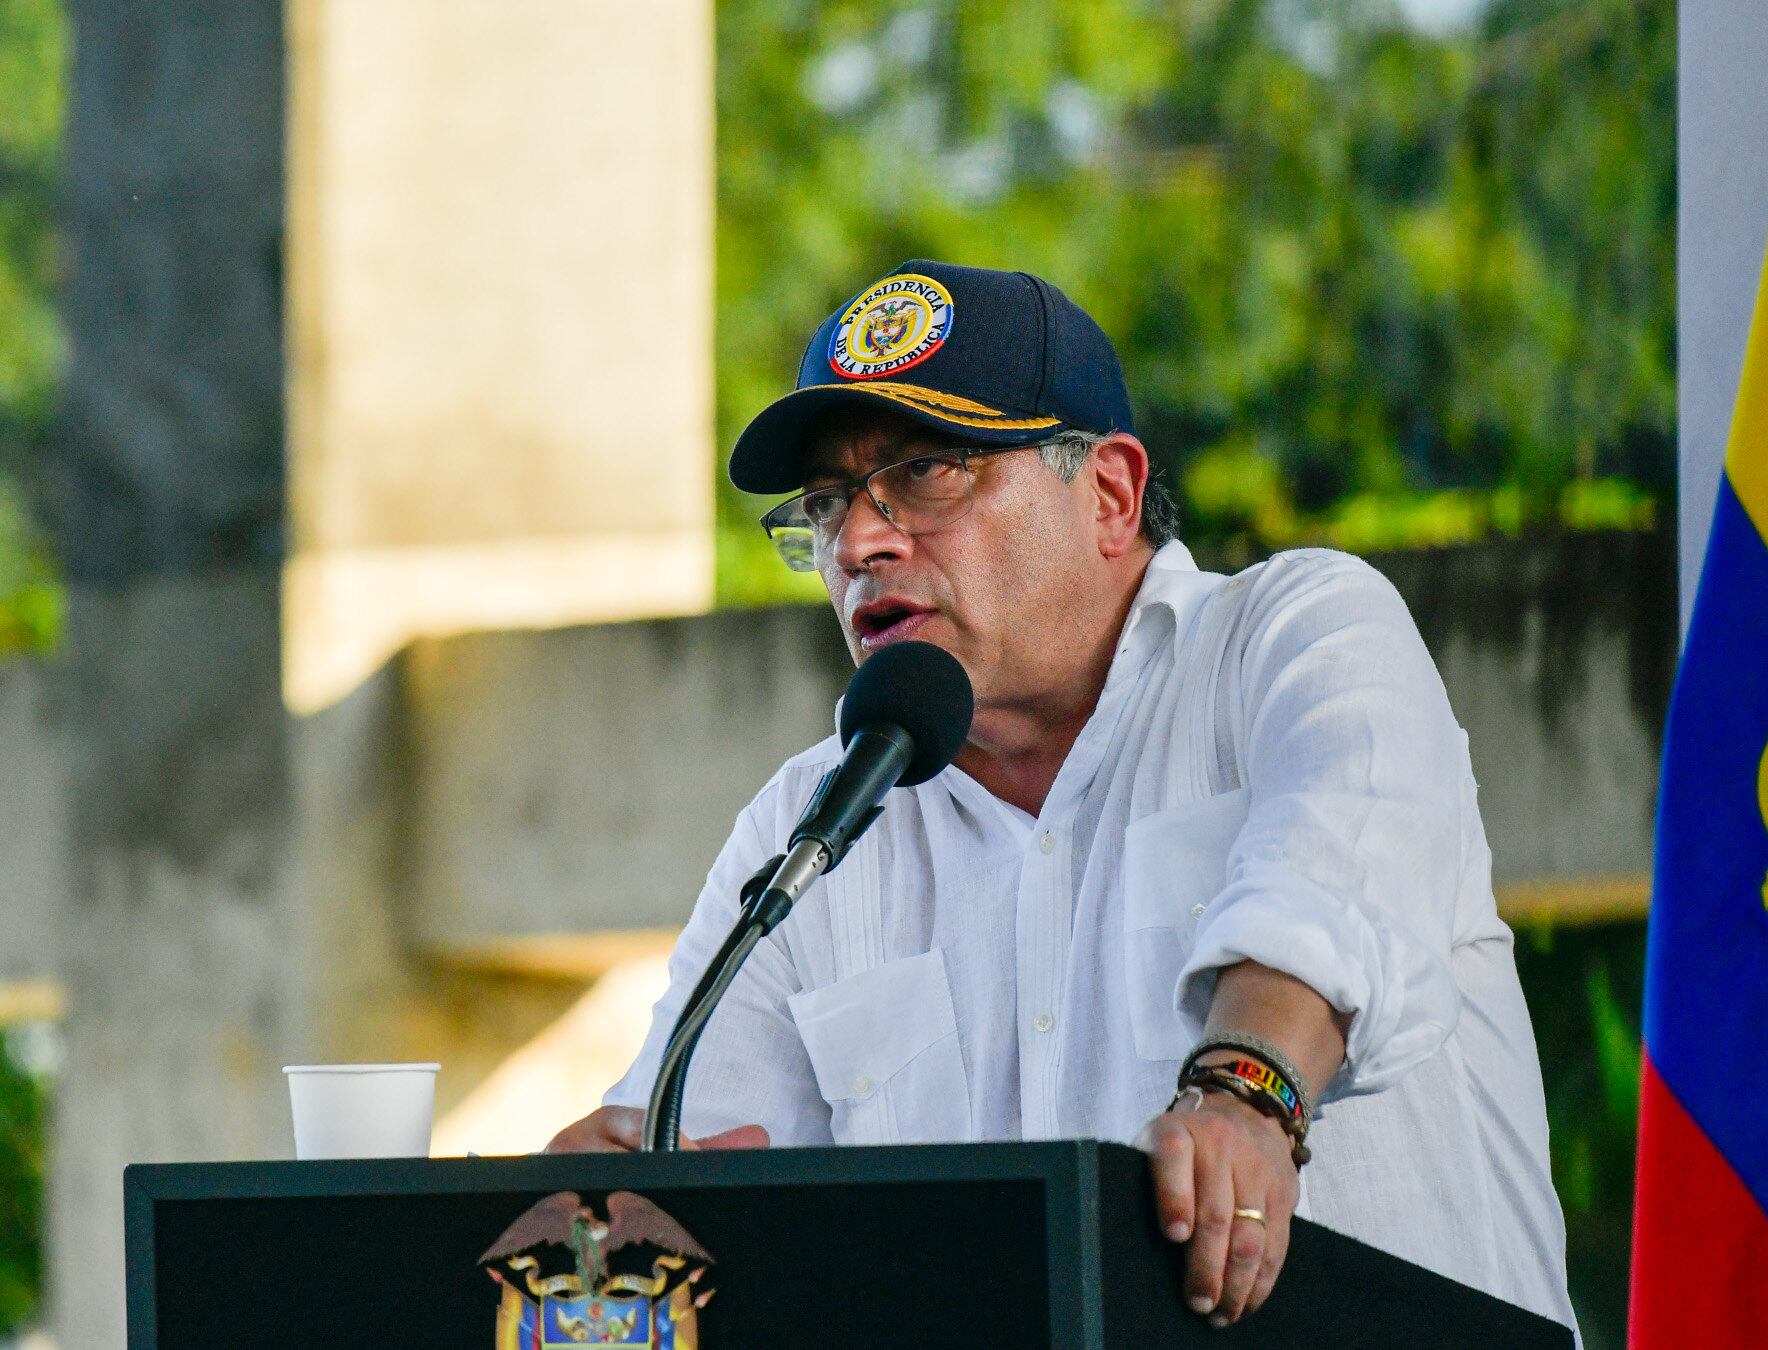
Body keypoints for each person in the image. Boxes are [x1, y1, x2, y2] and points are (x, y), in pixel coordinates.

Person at [549, 260, 1574, 1332]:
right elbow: (679, 1174)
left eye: (927, 473)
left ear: (1110, 493)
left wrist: (1244, 1092)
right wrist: (606, 1214)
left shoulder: (1295, 637)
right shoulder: (809, 822)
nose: (858, 543)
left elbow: (1328, 895)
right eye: (826, 505)